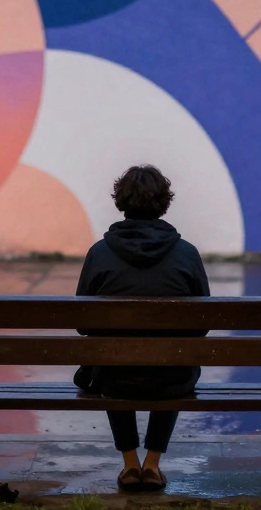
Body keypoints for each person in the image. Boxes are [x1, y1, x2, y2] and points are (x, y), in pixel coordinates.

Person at [73, 165, 210, 492]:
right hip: (171, 378)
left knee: (108, 357)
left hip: (115, 377)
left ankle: (130, 464)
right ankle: (152, 464)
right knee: (175, 356)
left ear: (121, 202)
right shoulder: (186, 254)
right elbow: (203, 325)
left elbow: (81, 324)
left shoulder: (100, 253)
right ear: (164, 203)